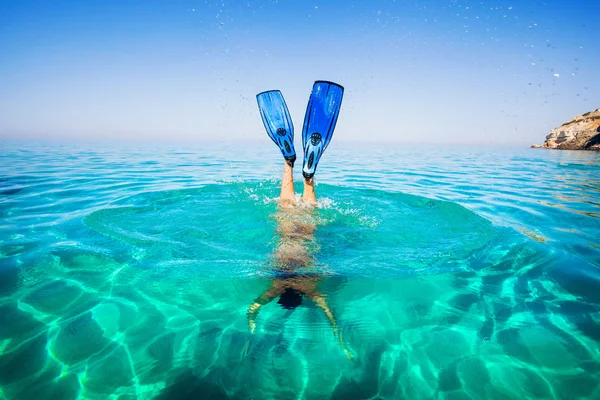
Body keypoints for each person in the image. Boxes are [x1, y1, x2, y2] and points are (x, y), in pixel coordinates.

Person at [247, 82, 352, 359]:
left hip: (306, 235)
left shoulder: (310, 288)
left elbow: (328, 312)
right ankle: (289, 162)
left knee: (307, 210)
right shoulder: (275, 285)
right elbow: (254, 307)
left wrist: (338, 337)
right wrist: (252, 320)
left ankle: (308, 176)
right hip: (285, 234)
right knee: (285, 205)